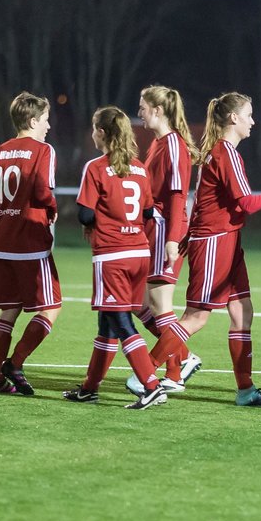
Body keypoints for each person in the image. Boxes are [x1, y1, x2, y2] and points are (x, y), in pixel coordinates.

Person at [144, 92, 261, 408]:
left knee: (242, 313)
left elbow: (203, 201)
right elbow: (246, 203)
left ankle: (246, 390)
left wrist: (189, 233)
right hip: (215, 242)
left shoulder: (218, 152)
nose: (253, 121)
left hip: (227, 241)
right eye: (249, 114)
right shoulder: (226, 153)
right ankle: (144, 376)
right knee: (196, 317)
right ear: (234, 118)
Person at [62, 106, 166, 410]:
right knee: (107, 322)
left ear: (103, 133)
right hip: (139, 253)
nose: (93, 134)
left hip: (113, 255)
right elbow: (148, 212)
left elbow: (85, 214)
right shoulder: (139, 167)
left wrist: (99, 223)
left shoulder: (96, 167)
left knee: (121, 321)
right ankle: (89, 388)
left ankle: (151, 385)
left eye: (95, 128)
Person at [0, 92, 62, 396]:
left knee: (8, 311)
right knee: (50, 308)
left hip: (1, 242)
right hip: (30, 241)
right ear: (33, 120)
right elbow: (42, 190)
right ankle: (15, 363)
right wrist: (52, 209)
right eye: (46, 120)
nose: (49, 126)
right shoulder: (43, 150)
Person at [126, 85, 201, 395]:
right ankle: (182, 359)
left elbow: (176, 195)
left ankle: (175, 369)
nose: (140, 112)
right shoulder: (159, 143)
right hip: (153, 229)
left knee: (159, 304)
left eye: (143, 107)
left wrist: (172, 239)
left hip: (164, 230)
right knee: (138, 301)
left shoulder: (173, 145)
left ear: (157, 110)